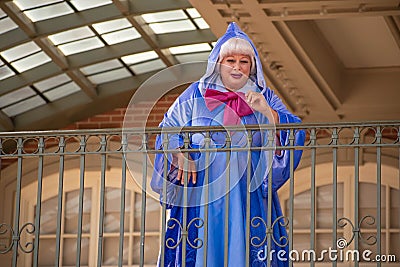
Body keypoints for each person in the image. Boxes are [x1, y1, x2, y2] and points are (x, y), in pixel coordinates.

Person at [151, 22, 305, 267]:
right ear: (218, 64)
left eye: (244, 61)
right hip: (203, 185)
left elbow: (294, 130)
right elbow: (167, 129)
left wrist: (268, 113)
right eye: (230, 60)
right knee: (202, 245)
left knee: (247, 243)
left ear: (252, 66)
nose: (237, 67)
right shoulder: (195, 94)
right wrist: (179, 154)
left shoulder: (266, 96)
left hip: (247, 188)